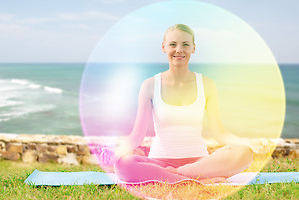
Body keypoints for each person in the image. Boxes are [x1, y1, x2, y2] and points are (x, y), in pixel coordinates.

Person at [113, 24, 270, 183]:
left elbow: (220, 134)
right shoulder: (150, 85)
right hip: (160, 161)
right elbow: (137, 136)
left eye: (185, 44)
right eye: (173, 44)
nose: (179, 50)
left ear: (193, 48)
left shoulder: (207, 84)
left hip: (200, 163)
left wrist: (248, 143)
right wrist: (118, 153)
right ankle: (196, 180)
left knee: (244, 152)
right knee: (124, 164)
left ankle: (176, 176)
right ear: (164, 47)